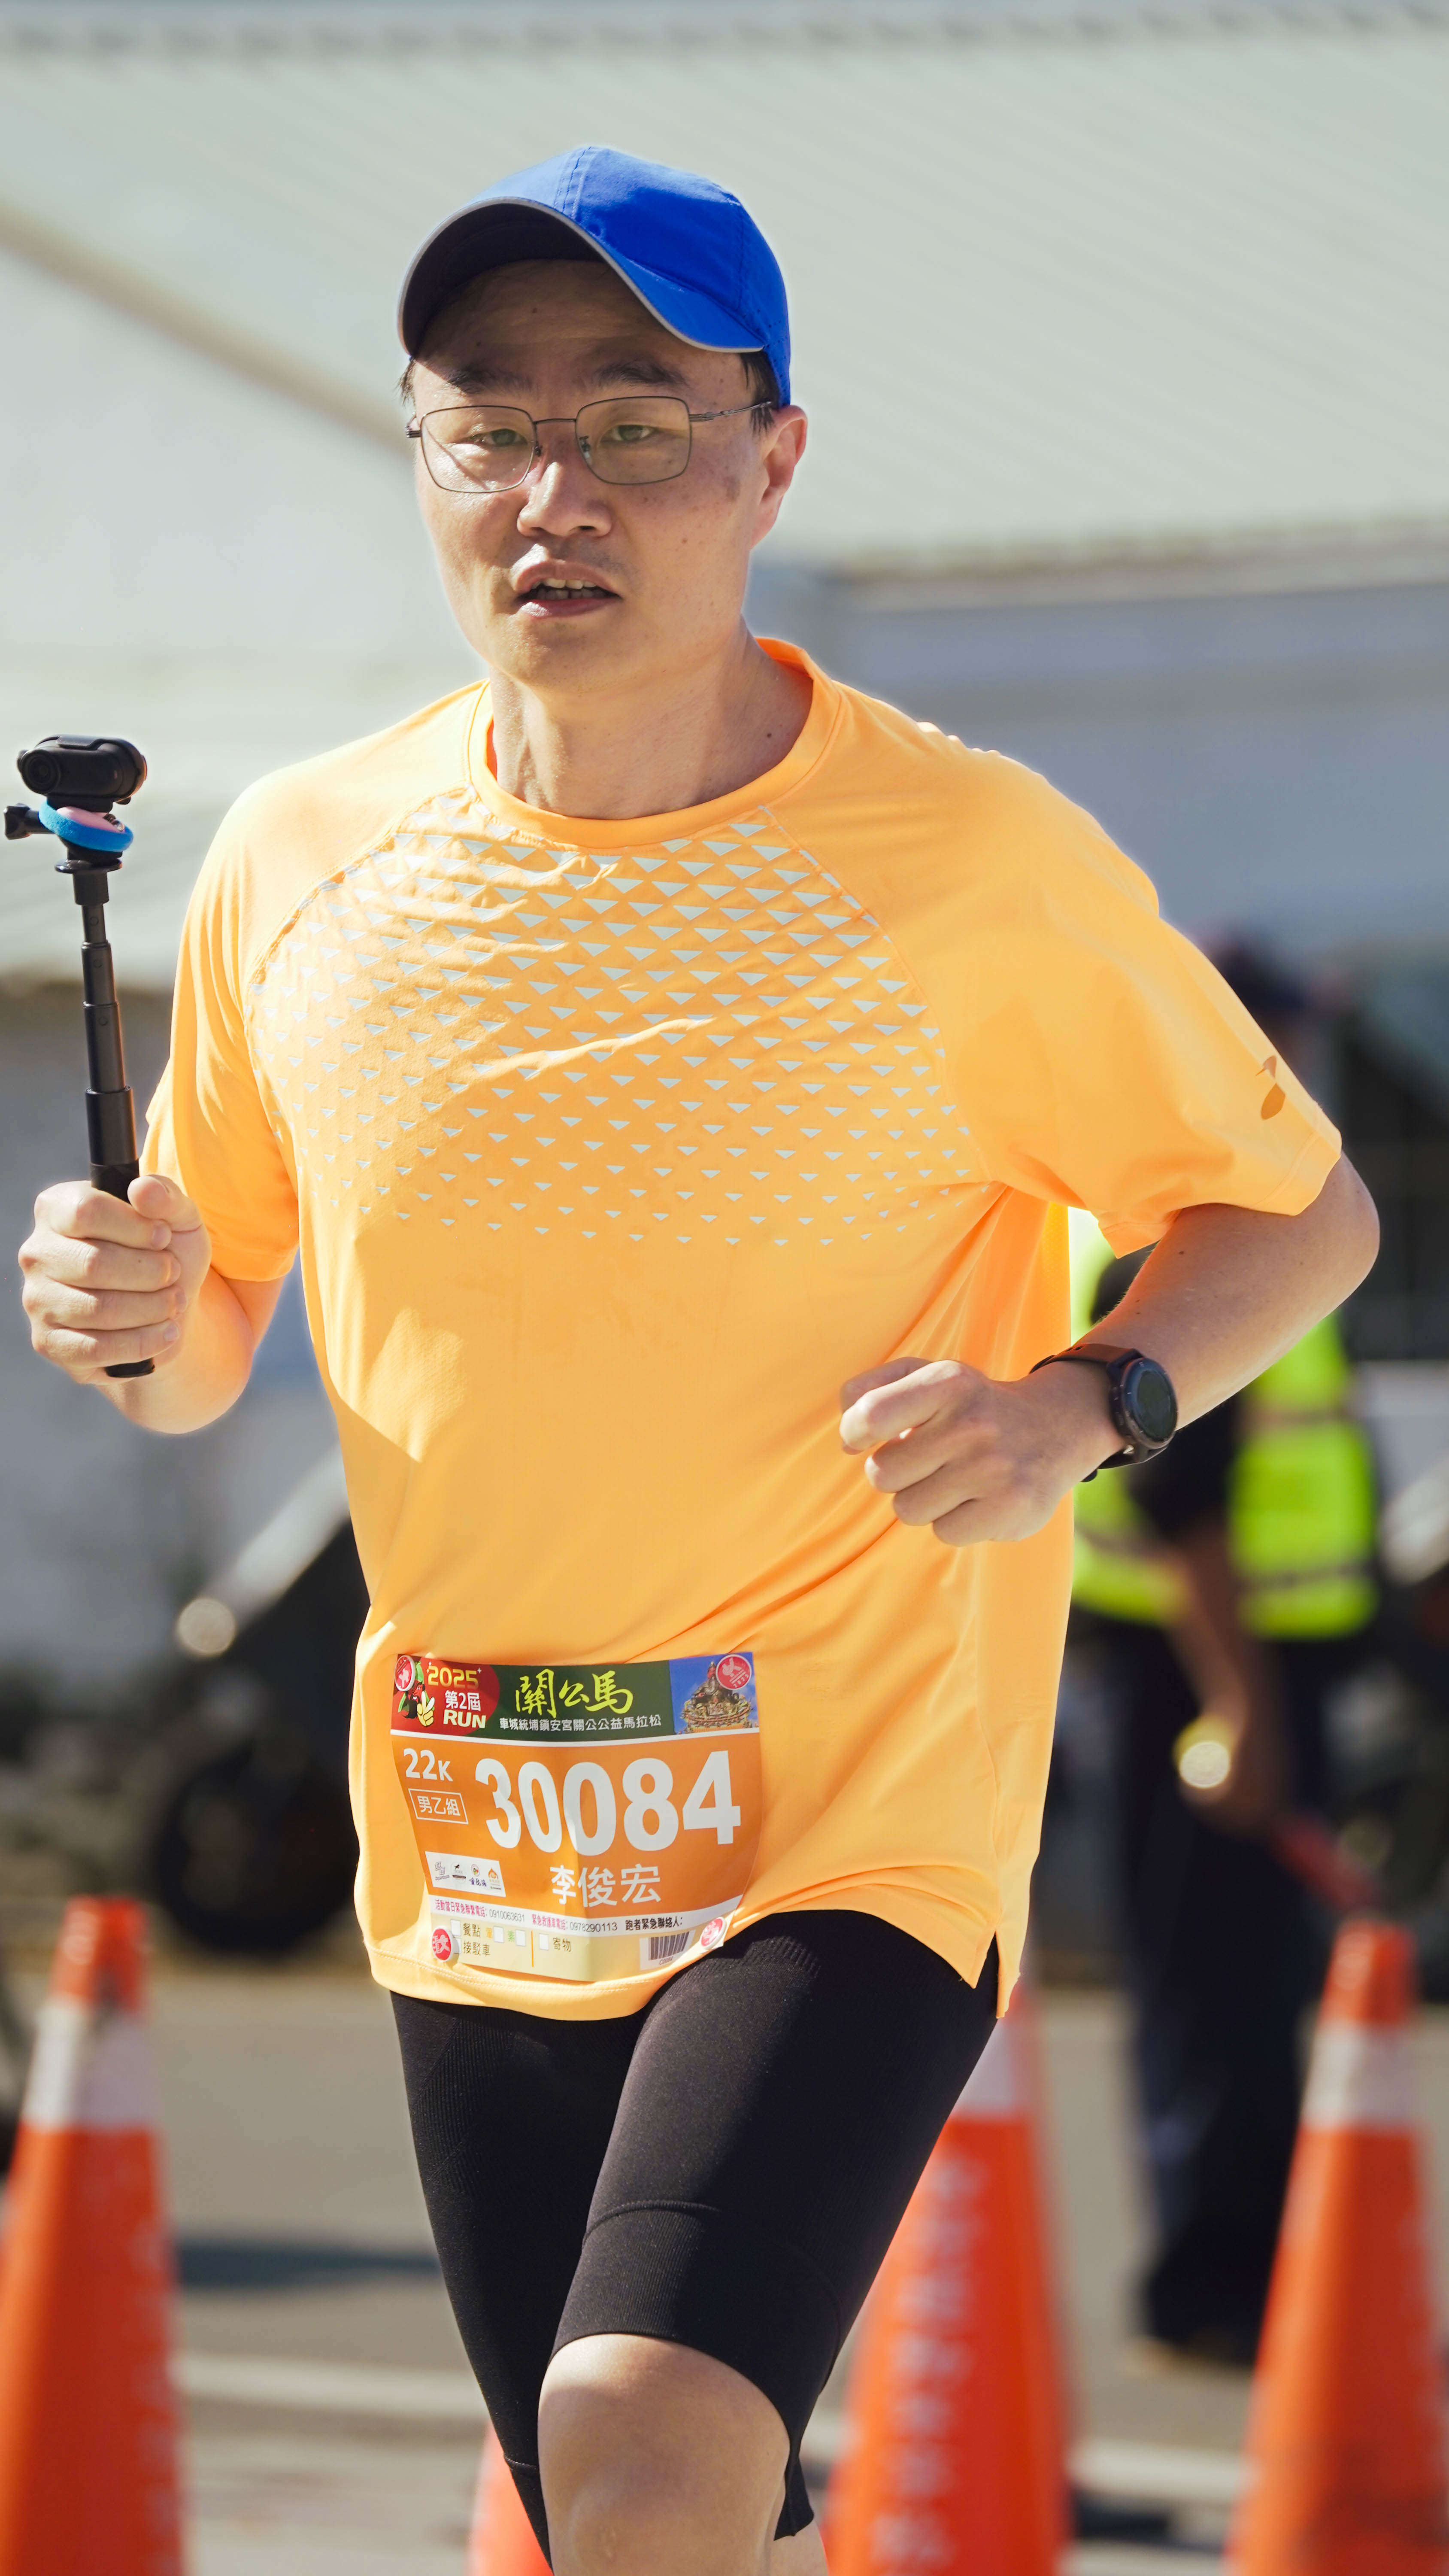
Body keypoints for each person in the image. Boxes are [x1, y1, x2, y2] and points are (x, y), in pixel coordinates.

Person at [18, 147, 1378, 2576]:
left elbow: (1300, 1212)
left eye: (636, 425)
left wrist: (1078, 1407)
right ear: (423, 461)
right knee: (617, 2514)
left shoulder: (967, 862)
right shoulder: (299, 864)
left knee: (638, 2435)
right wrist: (122, 1315)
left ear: (772, 464)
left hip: (846, 1818)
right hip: (482, 1830)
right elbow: (203, 1339)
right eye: (488, 426)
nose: (555, 490)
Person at [1070, 951, 1379, 2367]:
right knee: (1217, 1991)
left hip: (1241, 1668)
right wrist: (1242, 1703)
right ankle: (1217, 2292)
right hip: (1202, 1676)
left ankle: (1257, 2281)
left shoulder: (1260, 1211)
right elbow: (1176, 1499)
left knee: (1247, 1986)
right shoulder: (1182, 1226)